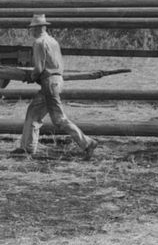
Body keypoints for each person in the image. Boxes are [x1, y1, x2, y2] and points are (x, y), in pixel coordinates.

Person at [11, 14, 99, 159]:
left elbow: (39, 68)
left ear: (38, 28)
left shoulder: (39, 42)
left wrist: (30, 77)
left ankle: (87, 143)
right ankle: (27, 147)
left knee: (59, 119)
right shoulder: (53, 41)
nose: (31, 31)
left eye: (32, 28)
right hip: (57, 81)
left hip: (49, 83)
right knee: (33, 112)